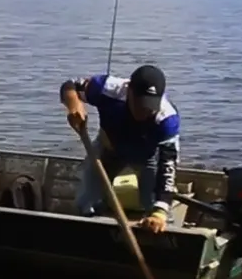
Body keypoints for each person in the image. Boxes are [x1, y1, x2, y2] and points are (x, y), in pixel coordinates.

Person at [60, 64, 180, 234]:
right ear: (128, 89)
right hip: (108, 149)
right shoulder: (108, 89)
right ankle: (92, 228)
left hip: (146, 157)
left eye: (149, 106)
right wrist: (75, 106)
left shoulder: (167, 119)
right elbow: (70, 86)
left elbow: (168, 168)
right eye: (139, 103)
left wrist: (159, 212)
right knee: (85, 202)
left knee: (157, 211)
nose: (143, 111)